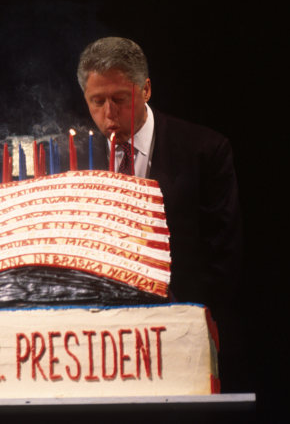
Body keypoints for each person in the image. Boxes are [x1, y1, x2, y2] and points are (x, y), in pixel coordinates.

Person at [77, 36, 244, 386]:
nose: (109, 114)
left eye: (120, 99)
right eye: (97, 102)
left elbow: (223, 254)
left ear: (146, 89)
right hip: (99, 343)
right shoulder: (74, 158)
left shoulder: (205, 150)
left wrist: (197, 326)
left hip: (185, 333)